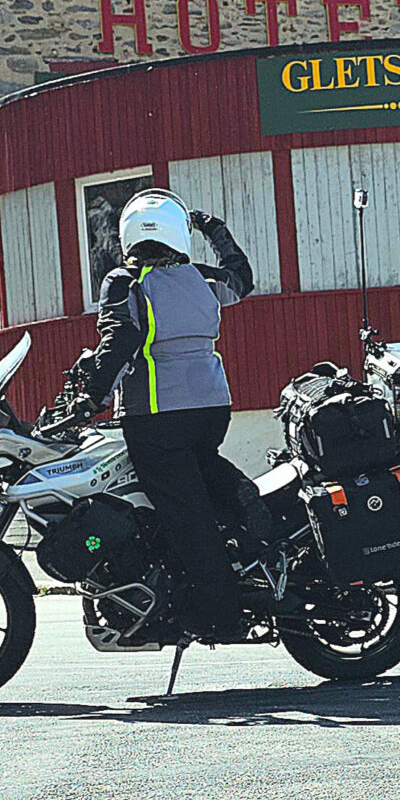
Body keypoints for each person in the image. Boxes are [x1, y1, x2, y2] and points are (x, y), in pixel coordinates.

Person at [70, 190, 277, 642]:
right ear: (176, 233)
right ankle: (244, 502)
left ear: (129, 234)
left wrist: (90, 401)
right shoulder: (199, 278)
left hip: (159, 416)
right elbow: (242, 278)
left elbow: (120, 340)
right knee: (198, 479)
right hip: (212, 407)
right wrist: (215, 230)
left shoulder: (125, 281)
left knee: (186, 516)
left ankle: (219, 616)